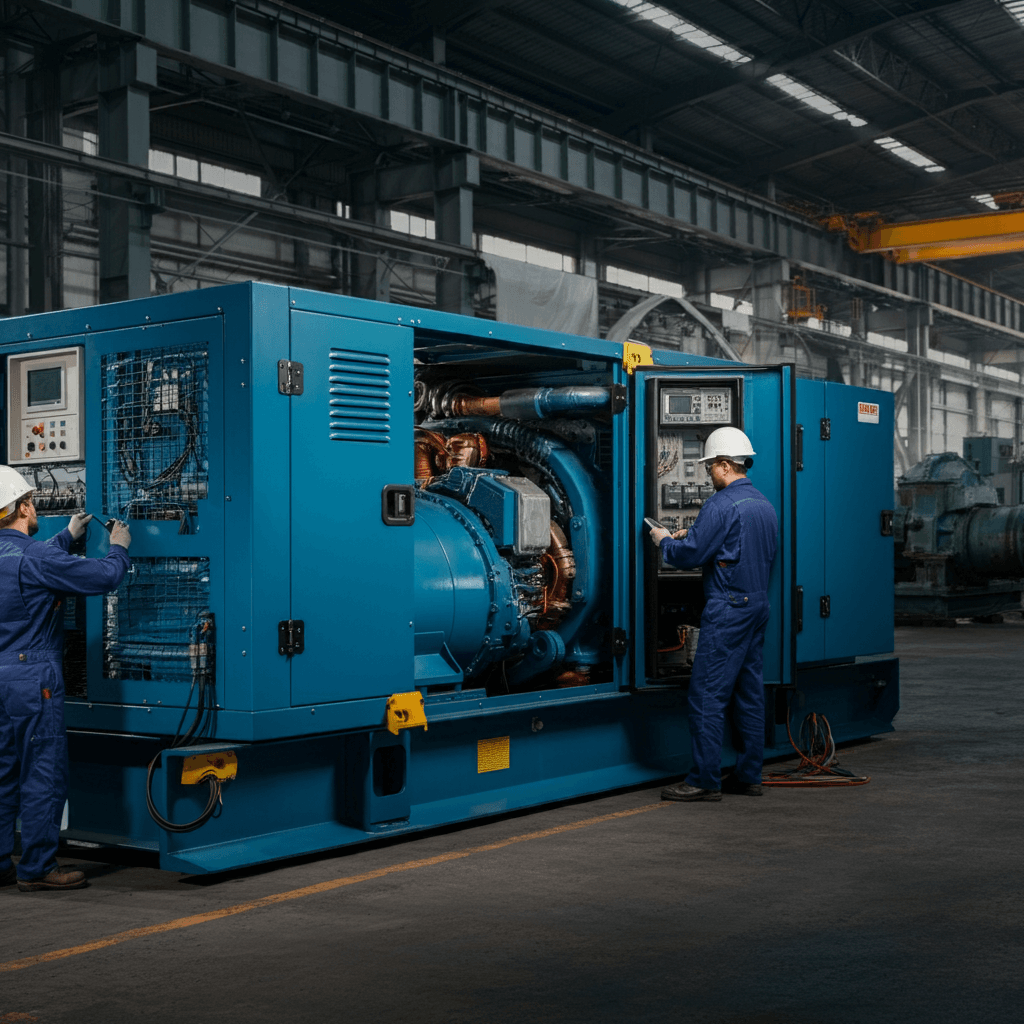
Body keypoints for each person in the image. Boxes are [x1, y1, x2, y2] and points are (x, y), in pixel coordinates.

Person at [0, 466, 131, 891]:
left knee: (2, 773)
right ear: (22, 507)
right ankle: (37, 868)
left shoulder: (31, 556)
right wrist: (118, 547)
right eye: (32, 501)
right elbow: (103, 577)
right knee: (42, 771)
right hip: (30, 676)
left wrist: (66, 537)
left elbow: (25, 565)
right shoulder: (36, 558)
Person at [649, 426, 778, 802]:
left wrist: (665, 542)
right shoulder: (763, 505)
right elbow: (738, 548)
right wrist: (699, 534)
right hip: (757, 606)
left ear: (724, 465)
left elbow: (689, 556)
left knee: (707, 694)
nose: (708, 474)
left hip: (728, 610)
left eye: (710, 468)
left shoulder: (720, 506)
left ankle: (704, 780)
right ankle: (750, 774)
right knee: (749, 693)